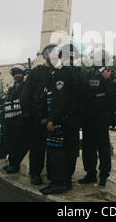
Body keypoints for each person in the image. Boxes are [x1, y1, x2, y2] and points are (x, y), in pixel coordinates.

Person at [40, 43, 86, 195]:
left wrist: (52, 119)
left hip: (61, 121)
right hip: (74, 121)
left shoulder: (62, 74)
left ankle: (58, 182)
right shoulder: (80, 75)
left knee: (56, 151)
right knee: (71, 151)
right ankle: (66, 181)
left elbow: (59, 100)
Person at [79, 48, 116, 187]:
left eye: (95, 58)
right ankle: (90, 173)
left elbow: (114, 93)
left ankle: (104, 175)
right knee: (88, 147)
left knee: (103, 147)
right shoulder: (89, 74)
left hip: (102, 116)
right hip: (88, 116)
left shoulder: (109, 74)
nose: (92, 60)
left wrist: (107, 80)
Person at [20, 44, 56, 185]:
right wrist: (27, 112)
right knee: (37, 148)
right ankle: (35, 173)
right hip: (36, 116)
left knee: (53, 148)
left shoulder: (57, 73)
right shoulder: (37, 71)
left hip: (52, 117)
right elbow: (26, 93)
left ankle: (52, 173)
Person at [0, 64, 28, 174]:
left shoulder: (26, 87)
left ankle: (15, 165)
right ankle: (11, 163)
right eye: (16, 74)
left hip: (20, 121)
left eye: (20, 73)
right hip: (9, 120)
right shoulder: (12, 88)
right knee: (9, 142)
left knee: (18, 143)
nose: (18, 75)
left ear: (23, 75)